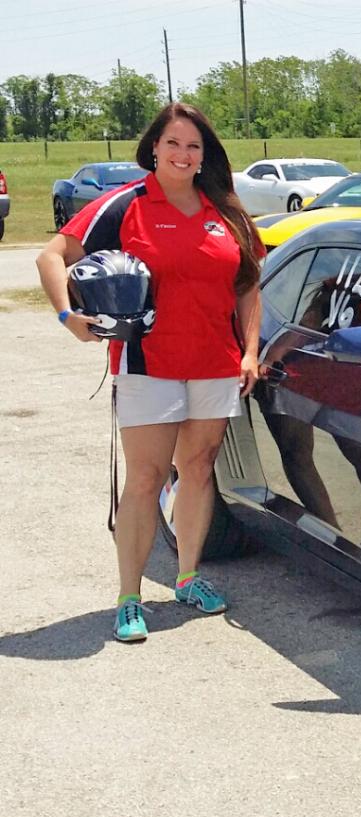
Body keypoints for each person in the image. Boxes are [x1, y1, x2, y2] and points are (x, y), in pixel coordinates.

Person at [36, 102, 264, 643]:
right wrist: (69, 316)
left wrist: (249, 351)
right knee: (144, 479)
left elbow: (248, 285)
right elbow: (51, 256)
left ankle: (187, 577)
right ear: (154, 149)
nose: (183, 155)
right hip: (148, 365)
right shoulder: (125, 205)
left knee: (200, 469)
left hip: (215, 364)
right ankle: (130, 597)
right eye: (173, 144)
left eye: (194, 147)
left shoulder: (226, 211)